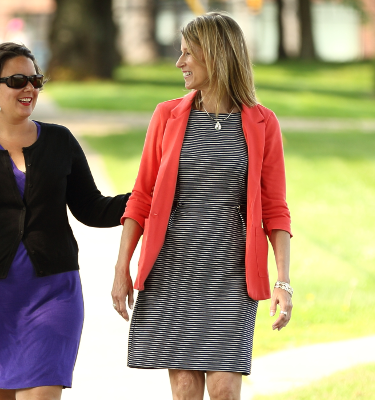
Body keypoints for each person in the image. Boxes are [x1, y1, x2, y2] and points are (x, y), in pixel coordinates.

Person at [110, 12, 294, 400]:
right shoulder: (167, 116)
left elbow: (275, 206)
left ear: (216, 56)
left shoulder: (263, 123)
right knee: (185, 389)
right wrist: (122, 267)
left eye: (188, 54)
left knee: (225, 389)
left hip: (230, 274)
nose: (180, 64)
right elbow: (141, 196)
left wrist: (282, 281)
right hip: (173, 269)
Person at [0, 42, 129, 400]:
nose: (29, 89)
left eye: (35, 80)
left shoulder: (60, 141)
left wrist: (145, 201)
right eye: (18, 81)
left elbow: (90, 207)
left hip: (53, 292)